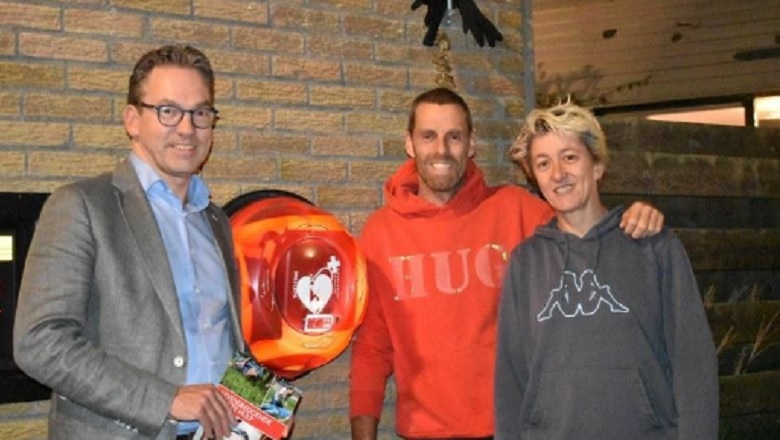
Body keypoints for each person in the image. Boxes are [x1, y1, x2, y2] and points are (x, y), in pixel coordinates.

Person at [349, 87, 665, 440]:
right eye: (428, 136)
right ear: (410, 143)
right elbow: (372, 347)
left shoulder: (516, 209)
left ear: (471, 144)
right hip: (424, 432)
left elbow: (585, 229)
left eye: (454, 136)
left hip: (515, 427)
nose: (441, 149)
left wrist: (633, 218)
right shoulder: (380, 232)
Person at [13, 45, 243, 440]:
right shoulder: (81, 206)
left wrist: (260, 409)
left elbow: (219, 337)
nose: (187, 129)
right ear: (132, 120)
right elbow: (39, 342)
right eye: (168, 111)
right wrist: (166, 400)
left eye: (200, 113)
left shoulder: (215, 220)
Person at [494, 102, 718, 439]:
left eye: (570, 157)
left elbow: (693, 363)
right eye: (543, 163)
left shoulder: (653, 247)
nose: (558, 174)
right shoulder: (525, 263)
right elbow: (510, 379)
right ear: (535, 178)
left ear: (597, 165)